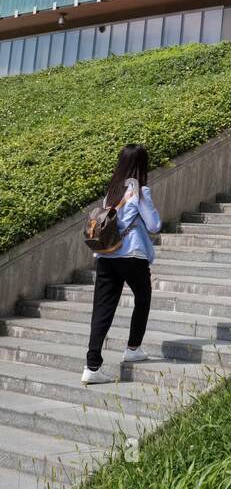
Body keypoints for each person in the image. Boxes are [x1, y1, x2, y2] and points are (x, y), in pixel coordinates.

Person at [82, 144, 161, 385]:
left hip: (107, 256)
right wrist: (142, 199)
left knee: (102, 309)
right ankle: (133, 348)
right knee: (143, 297)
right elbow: (154, 225)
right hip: (131, 255)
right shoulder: (140, 192)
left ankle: (92, 365)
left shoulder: (112, 192)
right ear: (141, 165)